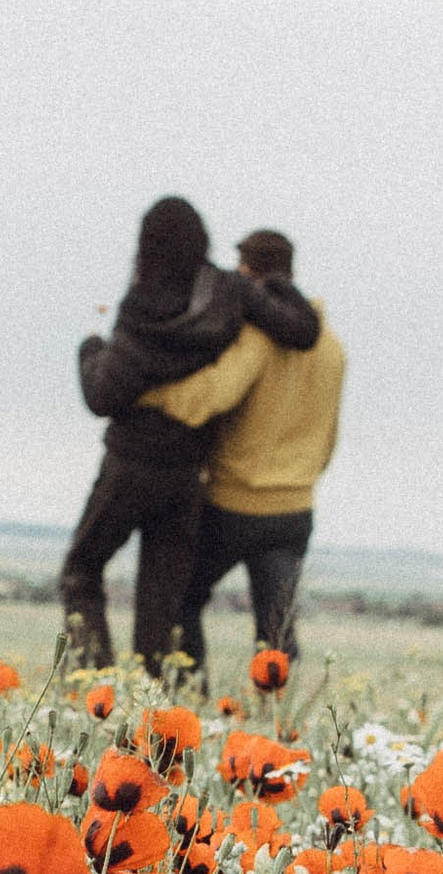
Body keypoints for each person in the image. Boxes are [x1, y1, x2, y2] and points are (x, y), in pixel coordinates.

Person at [61, 198, 319, 667]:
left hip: (130, 464)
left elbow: (101, 396)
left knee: (81, 570)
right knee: (160, 600)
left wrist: (90, 348)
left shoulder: (139, 313)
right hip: (187, 473)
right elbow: (302, 330)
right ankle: (152, 704)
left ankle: (96, 684)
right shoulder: (230, 293)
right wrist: (276, 279)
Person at [143, 226, 346, 673]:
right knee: (276, 634)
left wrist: (145, 393)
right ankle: (275, 722)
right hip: (295, 510)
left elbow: (210, 398)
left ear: (250, 274)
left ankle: (188, 710)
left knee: (181, 603)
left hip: (233, 504)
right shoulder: (332, 348)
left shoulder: (258, 339)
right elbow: (329, 438)